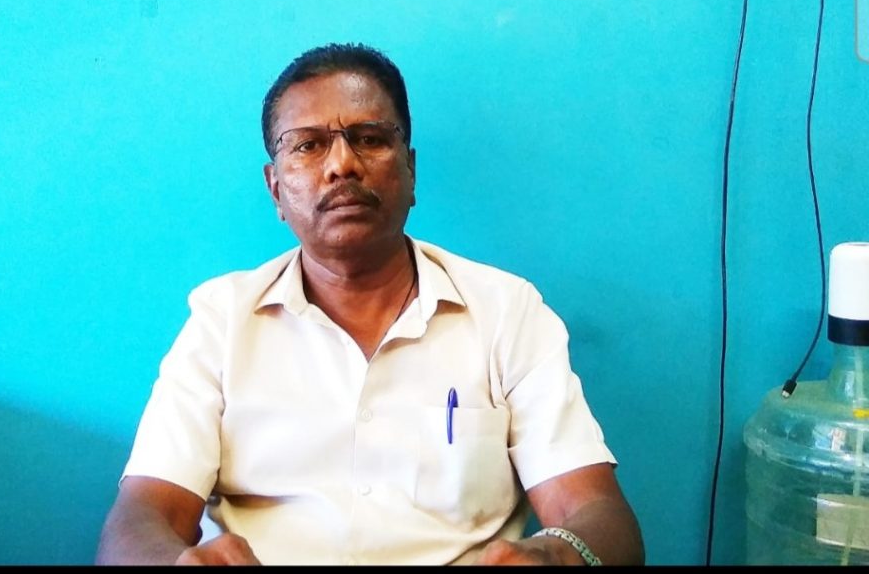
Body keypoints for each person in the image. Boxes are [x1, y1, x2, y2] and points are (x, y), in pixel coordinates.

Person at [95, 43, 644, 566]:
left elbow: (595, 511)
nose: (342, 165)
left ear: (411, 171)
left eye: (369, 138)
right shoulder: (222, 319)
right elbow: (141, 517)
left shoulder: (505, 311)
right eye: (308, 145)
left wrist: (558, 554)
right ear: (276, 189)